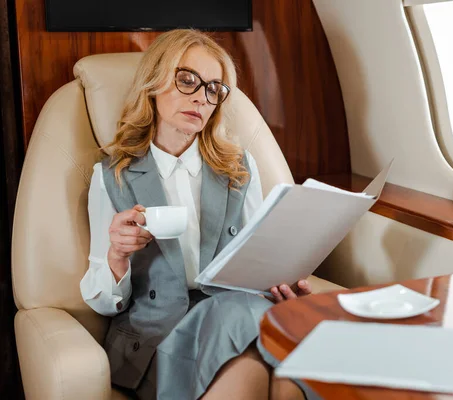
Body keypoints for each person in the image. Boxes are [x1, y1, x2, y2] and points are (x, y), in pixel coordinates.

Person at [79, 29, 316, 400]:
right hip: (160, 338)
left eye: (213, 89)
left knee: (274, 365)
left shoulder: (239, 168)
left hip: (237, 319)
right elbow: (100, 299)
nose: (200, 98)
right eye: (187, 80)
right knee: (269, 362)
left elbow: (257, 259)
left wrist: (281, 285)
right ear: (153, 83)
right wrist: (117, 256)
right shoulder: (113, 175)